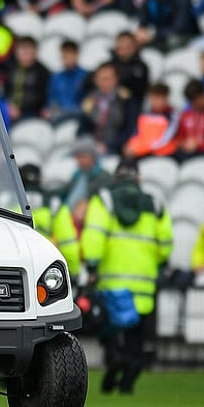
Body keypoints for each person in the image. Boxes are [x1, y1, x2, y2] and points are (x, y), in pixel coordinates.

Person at [81, 159, 172, 394]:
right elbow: (166, 246)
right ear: (138, 178)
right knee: (136, 337)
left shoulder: (104, 200)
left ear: (116, 177)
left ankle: (114, 360)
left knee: (110, 332)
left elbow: (94, 237)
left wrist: (92, 267)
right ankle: (128, 380)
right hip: (143, 286)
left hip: (112, 284)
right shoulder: (155, 205)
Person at [19, 164, 81, 281]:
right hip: (45, 269)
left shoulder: (2, 202)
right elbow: (68, 244)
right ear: (40, 180)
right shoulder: (54, 204)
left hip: (15, 267)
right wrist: (74, 273)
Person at [77, 62, 140, 156]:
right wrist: (92, 144)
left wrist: (110, 145)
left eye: (107, 79)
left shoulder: (125, 99)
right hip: (92, 148)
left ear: (116, 80)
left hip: (116, 147)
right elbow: (82, 129)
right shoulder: (90, 99)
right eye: (101, 79)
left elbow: (129, 129)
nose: (104, 83)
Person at [61, 136, 112, 229]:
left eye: (83, 157)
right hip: (68, 220)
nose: (79, 161)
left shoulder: (103, 177)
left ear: (92, 156)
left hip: (87, 222)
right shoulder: (77, 175)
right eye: (77, 158)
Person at [123, 82, 176, 159]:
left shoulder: (172, 116)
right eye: (152, 98)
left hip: (162, 154)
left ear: (165, 99)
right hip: (143, 152)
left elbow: (165, 139)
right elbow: (136, 134)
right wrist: (131, 145)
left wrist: (143, 148)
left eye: (158, 98)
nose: (154, 102)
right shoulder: (144, 115)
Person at [5, 36, 50, 123]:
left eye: (28, 49)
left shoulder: (43, 72)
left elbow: (44, 96)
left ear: (35, 51)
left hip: (32, 113)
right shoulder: (10, 69)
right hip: (10, 110)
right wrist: (10, 105)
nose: (25, 53)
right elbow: (6, 91)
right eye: (22, 49)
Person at [47, 39, 87, 121]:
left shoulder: (86, 76)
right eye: (65, 56)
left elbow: (89, 99)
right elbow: (52, 100)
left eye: (70, 55)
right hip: (60, 117)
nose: (68, 59)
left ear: (77, 55)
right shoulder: (55, 78)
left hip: (80, 117)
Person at [172, 79, 204, 162]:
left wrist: (198, 145)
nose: (195, 104)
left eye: (196, 99)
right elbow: (178, 139)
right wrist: (183, 144)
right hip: (188, 154)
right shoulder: (185, 116)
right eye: (192, 101)